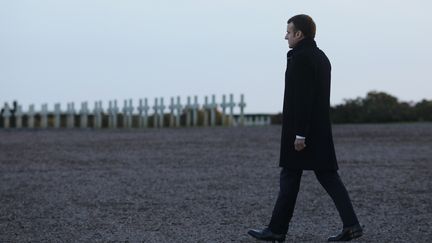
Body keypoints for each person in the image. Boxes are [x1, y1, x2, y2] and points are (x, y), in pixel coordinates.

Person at [248, 14, 363, 242]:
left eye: (288, 32)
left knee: (290, 177)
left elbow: (303, 99)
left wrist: (300, 133)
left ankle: (277, 230)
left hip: (302, 133)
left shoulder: (300, 58)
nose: (285, 36)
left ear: (299, 34)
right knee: (328, 177)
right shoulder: (321, 57)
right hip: (319, 130)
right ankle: (351, 225)